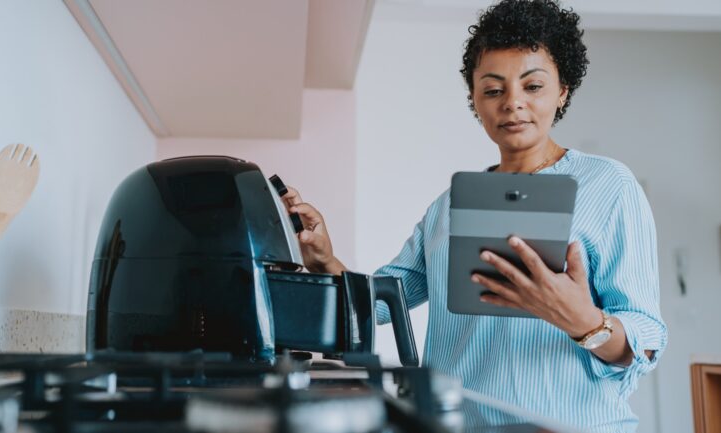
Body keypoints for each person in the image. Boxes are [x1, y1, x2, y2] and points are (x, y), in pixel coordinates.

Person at [282, 1, 667, 431]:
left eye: (533, 86)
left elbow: (646, 339)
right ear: (475, 101)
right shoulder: (449, 204)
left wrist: (584, 321)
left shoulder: (608, 184)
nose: (513, 103)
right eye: (493, 89)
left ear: (562, 91)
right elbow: (383, 302)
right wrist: (323, 260)